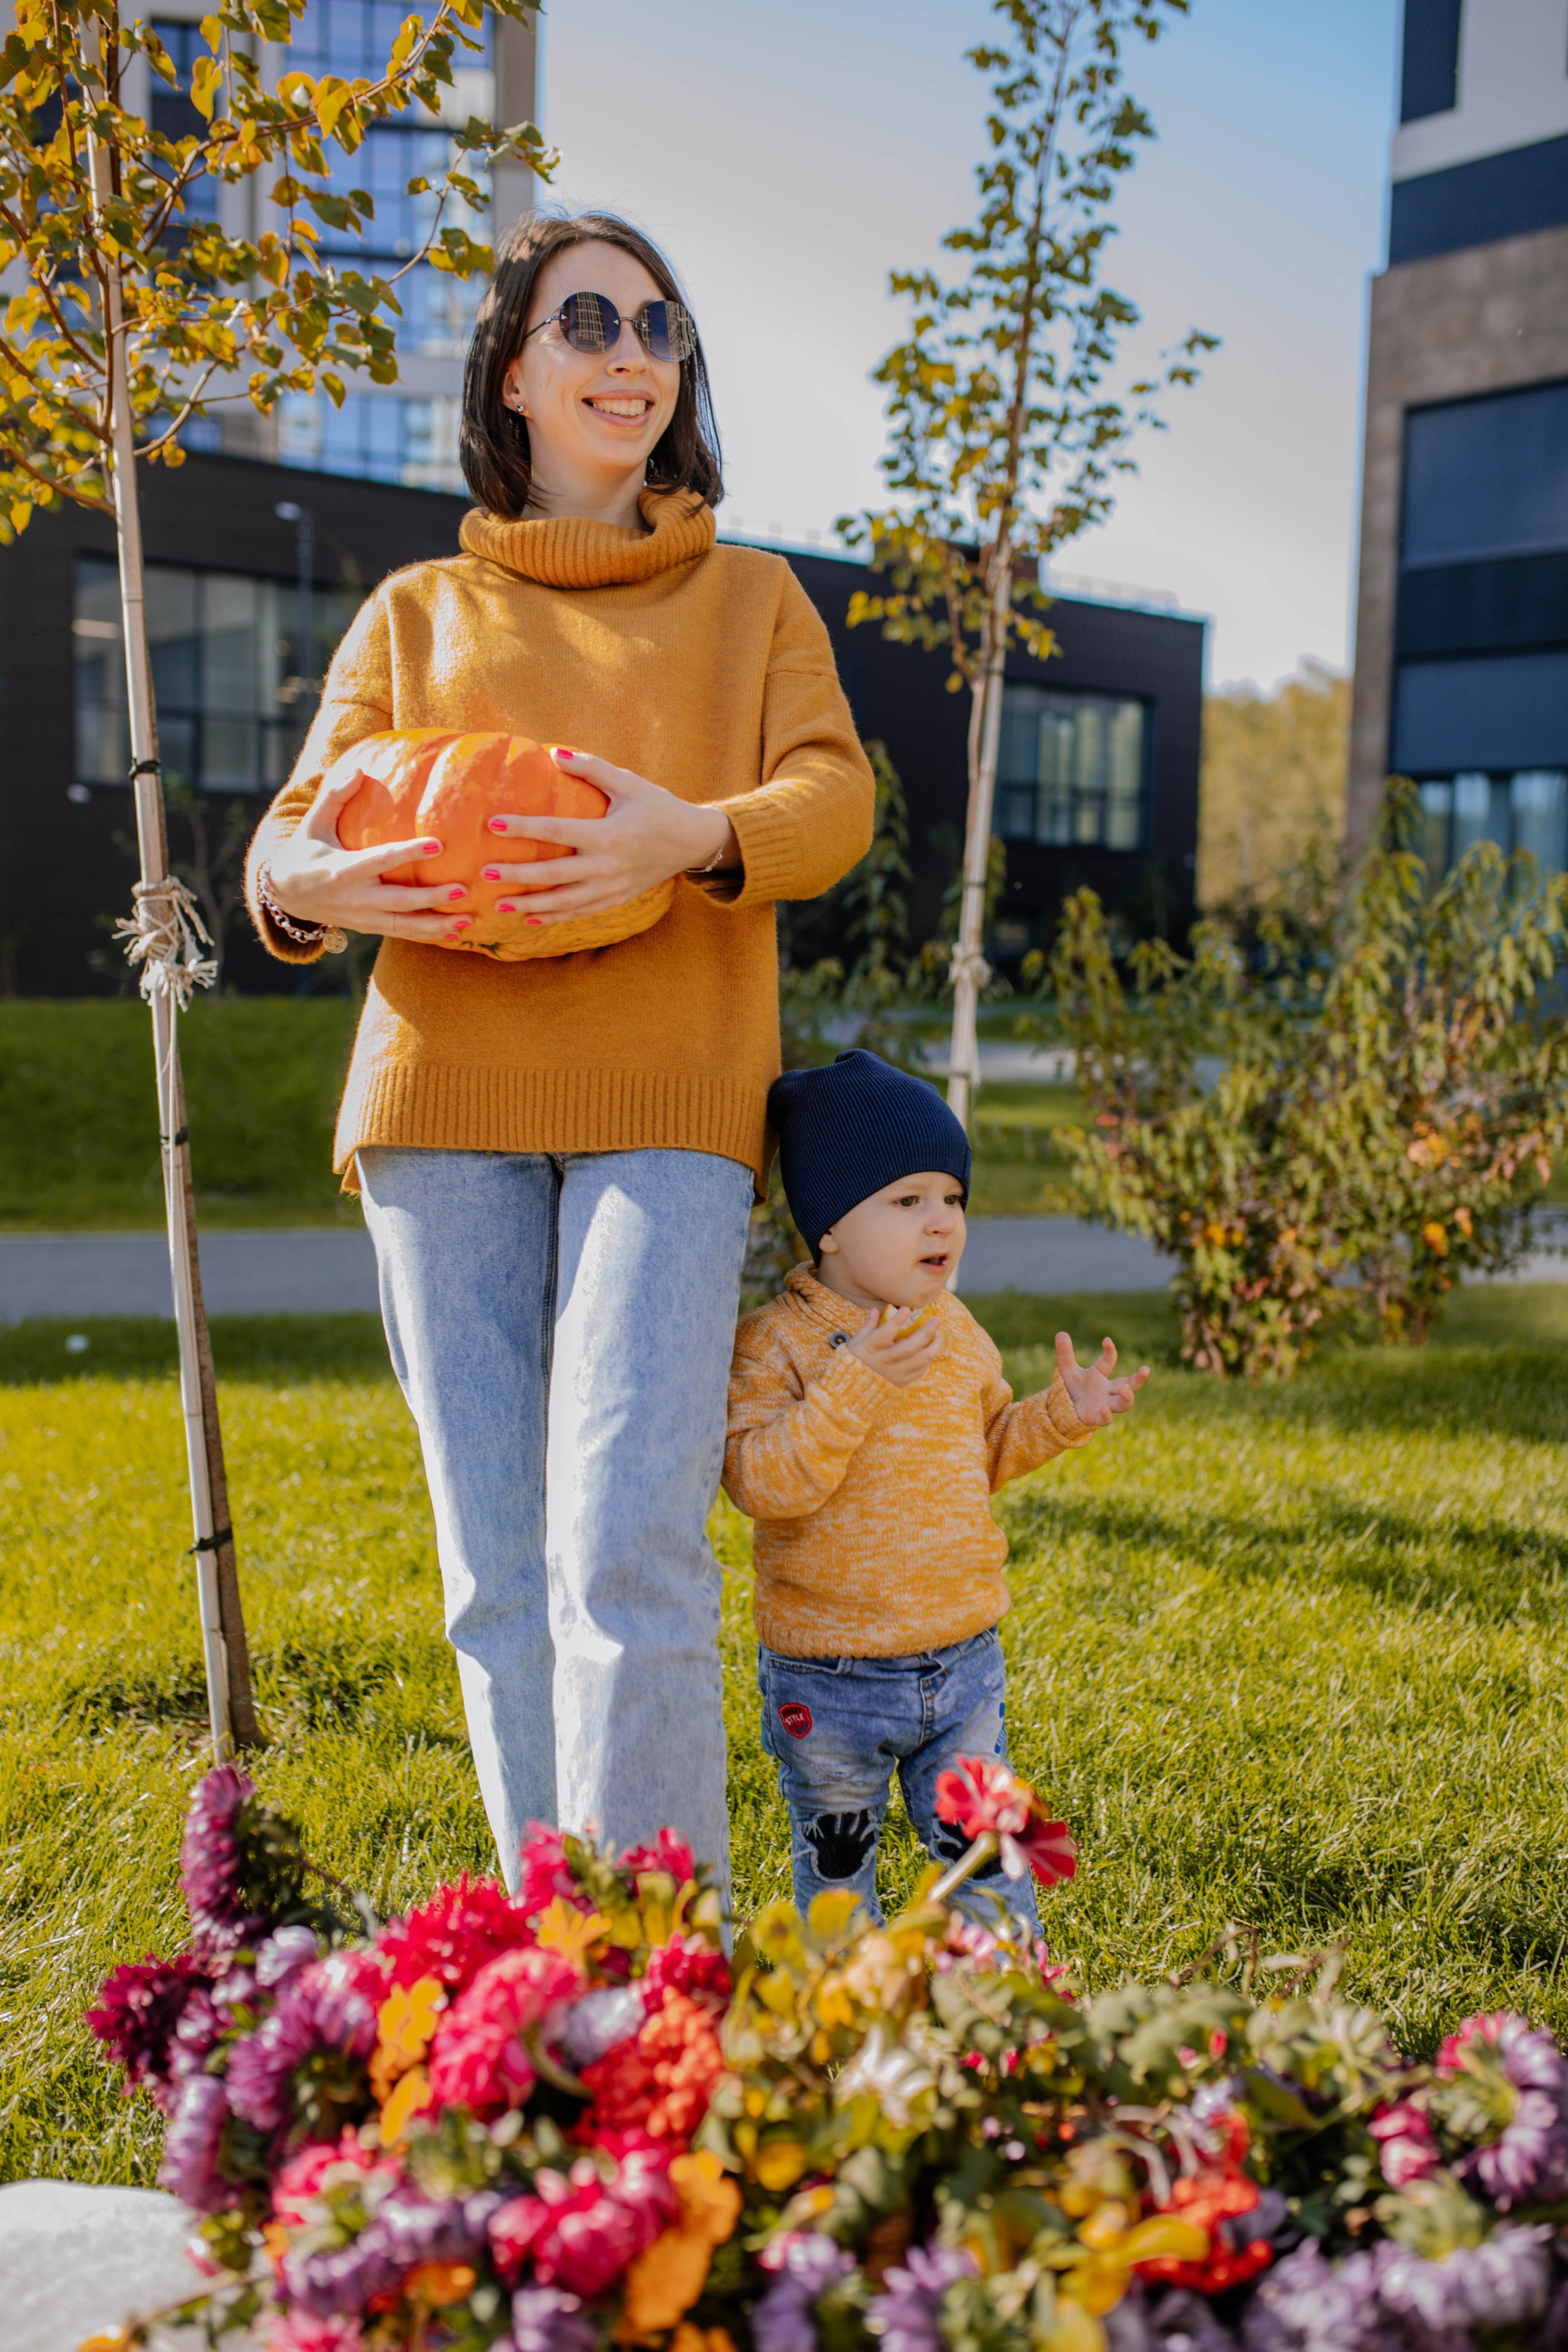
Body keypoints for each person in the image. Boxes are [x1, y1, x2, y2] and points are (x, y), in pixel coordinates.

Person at [242, 209, 874, 1899]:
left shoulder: (750, 601)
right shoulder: (416, 610)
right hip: (442, 1097)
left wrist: (687, 833)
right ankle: (548, 1962)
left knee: (628, 1549)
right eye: (585, 320)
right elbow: (299, 837)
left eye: (659, 327)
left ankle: (671, 1966)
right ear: (514, 369)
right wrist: (290, 880)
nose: (628, 352)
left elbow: (834, 801)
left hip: (672, 1096)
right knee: (499, 1572)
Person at [723, 1049, 1149, 1937]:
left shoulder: (953, 1328)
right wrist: (858, 1383)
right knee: (839, 1875)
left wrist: (1059, 1416)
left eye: (952, 1198)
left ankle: (1013, 2023)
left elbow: (983, 1451)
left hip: (962, 1663)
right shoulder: (777, 1345)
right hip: (828, 1676)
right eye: (908, 1201)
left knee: (991, 1856)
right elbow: (765, 1484)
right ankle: (848, 2024)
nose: (941, 1222)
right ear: (831, 1224)